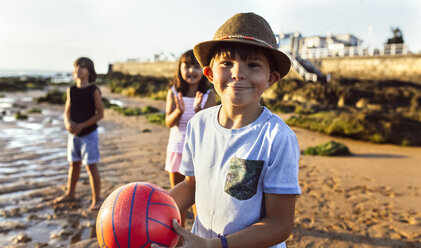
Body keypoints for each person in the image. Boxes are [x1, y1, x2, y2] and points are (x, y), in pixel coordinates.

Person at [153, 13, 301, 248]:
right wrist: (153, 211)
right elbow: (191, 186)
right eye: (227, 63)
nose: (237, 73)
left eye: (253, 65)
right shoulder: (198, 124)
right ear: (210, 74)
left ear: (270, 78)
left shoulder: (277, 138)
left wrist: (216, 245)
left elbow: (278, 224)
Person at [165, 49, 215, 226]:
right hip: (176, 149)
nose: (191, 71)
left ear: (204, 71)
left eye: (196, 67)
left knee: (198, 199)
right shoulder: (173, 91)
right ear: (179, 68)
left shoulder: (209, 95)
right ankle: (179, 238)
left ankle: (198, 238)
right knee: (177, 202)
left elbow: (210, 127)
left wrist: (198, 112)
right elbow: (169, 122)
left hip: (199, 154)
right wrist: (179, 110)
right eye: (187, 66)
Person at [53, 57, 104, 211]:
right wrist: (67, 123)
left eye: (82, 67)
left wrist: (82, 126)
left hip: (89, 134)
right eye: (76, 67)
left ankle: (96, 199)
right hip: (73, 135)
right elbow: (66, 112)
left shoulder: (94, 90)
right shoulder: (72, 90)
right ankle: (70, 193)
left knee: (91, 166)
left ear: (89, 71)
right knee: (74, 164)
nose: (78, 70)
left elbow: (100, 114)